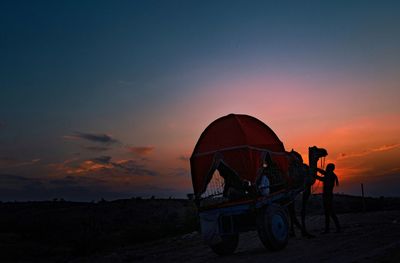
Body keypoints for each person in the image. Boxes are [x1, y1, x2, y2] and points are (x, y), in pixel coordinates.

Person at [315, 163, 341, 233]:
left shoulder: (330, 176)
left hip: (328, 196)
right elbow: (323, 172)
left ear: (329, 168)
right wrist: (316, 169)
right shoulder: (331, 175)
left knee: (330, 212)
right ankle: (330, 229)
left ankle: (335, 228)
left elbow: (323, 178)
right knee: (328, 212)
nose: (326, 168)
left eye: (327, 167)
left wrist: (315, 176)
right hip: (327, 196)